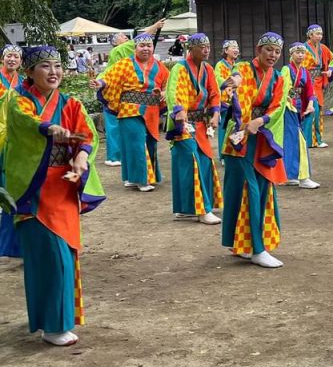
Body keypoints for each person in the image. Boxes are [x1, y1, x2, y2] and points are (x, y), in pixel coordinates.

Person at [3, 45, 105, 345]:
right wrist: (49, 129)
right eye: (45, 66)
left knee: (66, 254)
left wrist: (82, 156)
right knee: (49, 256)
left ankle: (59, 320)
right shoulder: (17, 100)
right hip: (33, 189)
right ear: (29, 72)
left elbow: (86, 133)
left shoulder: (71, 102)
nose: (53, 72)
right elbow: (25, 122)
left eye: (57, 65)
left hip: (63, 186)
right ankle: (51, 325)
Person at [221, 32, 288, 268]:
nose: (273, 55)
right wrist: (233, 83)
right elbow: (235, 81)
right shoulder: (243, 68)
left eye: (277, 51)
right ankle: (257, 248)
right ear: (259, 49)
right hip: (239, 138)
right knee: (245, 190)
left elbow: (279, 106)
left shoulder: (278, 77)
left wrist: (261, 121)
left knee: (260, 188)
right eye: (269, 49)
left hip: (260, 137)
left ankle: (245, 244)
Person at [95, 34, 169, 192]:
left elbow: (167, 85)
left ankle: (133, 177)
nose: (146, 49)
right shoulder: (124, 64)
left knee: (150, 142)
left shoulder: (160, 66)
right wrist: (99, 83)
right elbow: (108, 78)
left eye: (149, 45)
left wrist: (164, 92)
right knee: (135, 143)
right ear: (135, 48)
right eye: (142, 46)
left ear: (153, 48)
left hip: (151, 109)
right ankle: (141, 179)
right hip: (129, 108)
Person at [165, 33, 222, 225]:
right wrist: (179, 111)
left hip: (201, 123)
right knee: (190, 161)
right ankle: (202, 210)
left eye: (208, 46)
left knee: (205, 161)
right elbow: (174, 91)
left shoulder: (208, 69)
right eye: (202, 47)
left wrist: (215, 114)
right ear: (191, 49)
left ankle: (186, 207)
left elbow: (214, 93)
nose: (206, 50)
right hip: (183, 122)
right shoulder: (180, 68)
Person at [280, 42, 319, 188]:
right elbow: (283, 89)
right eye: (297, 52)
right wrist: (289, 102)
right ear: (291, 54)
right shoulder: (286, 69)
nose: (301, 55)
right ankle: (302, 177)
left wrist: (310, 104)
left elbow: (310, 91)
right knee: (295, 140)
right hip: (288, 108)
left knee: (296, 139)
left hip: (301, 108)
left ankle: (291, 174)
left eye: (303, 52)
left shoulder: (304, 71)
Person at [0, 44, 23, 258]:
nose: (12, 59)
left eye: (16, 56)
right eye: (8, 55)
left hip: (14, 139)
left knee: (12, 189)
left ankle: (11, 246)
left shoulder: (23, 83)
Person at [301, 24, 333, 148]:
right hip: (306, 82)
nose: (320, 36)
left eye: (321, 34)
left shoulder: (323, 48)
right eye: (317, 34)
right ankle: (307, 140)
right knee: (310, 109)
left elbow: (332, 60)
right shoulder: (303, 49)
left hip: (318, 82)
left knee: (317, 109)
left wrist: (330, 70)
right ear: (309, 35)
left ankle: (317, 139)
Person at [215, 39, 241, 163]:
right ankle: (223, 155)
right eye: (233, 47)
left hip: (237, 101)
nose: (236, 49)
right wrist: (231, 82)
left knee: (236, 126)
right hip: (225, 101)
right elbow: (218, 80)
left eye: (237, 47)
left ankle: (233, 151)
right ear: (226, 50)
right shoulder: (220, 65)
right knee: (223, 129)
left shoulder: (238, 65)